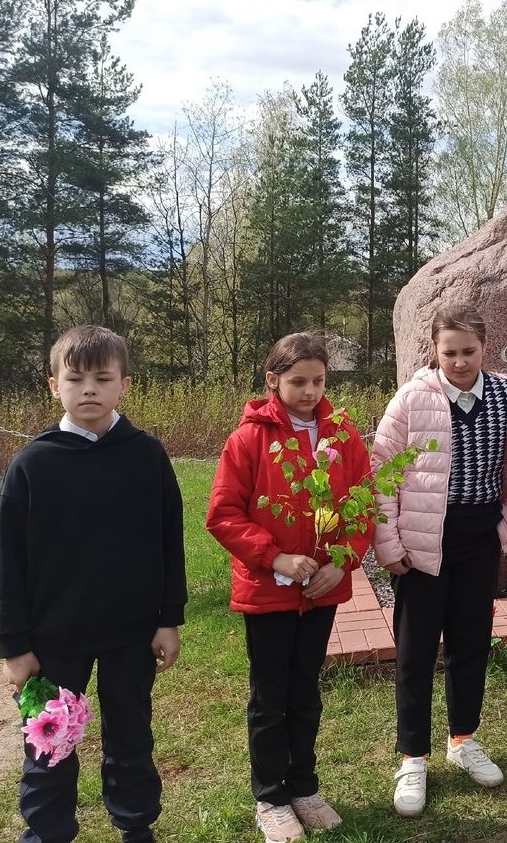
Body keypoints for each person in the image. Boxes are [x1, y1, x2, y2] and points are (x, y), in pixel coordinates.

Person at [0, 325, 187, 843]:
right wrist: (14, 646)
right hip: (52, 640)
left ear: (125, 384)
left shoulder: (146, 455)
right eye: (76, 379)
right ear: (54, 385)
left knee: (131, 738)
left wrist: (169, 618)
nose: (90, 389)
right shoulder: (33, 464)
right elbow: (6, 562)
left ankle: (136, 827)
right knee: (49, 745)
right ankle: (47, 833)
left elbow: (169, 540)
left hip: (131, 633)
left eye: (103, 378)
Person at [373, 303, 507, 817]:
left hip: (480, 536)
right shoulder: (413, 398)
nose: (459, 362)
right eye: (449, 352)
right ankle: (413, 756)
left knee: (470, 642)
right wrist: (389, 544)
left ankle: (463, 739)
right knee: (415, 651)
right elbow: (382, 470)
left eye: (469, 351)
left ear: (484, 348)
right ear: (434, 350)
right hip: (424, 540)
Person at [206, 332, 373, 843]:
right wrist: (275, 556)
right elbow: (224, 514)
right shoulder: (249, 440)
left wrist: (342, 562)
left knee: (305, 691)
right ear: (273, 381)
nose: (309, 391)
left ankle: (303, 785)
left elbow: (363, 505)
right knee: (270, 696)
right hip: (269, 591)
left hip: (320, 588)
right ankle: (271, 796)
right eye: (298, 381)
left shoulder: (343, 437)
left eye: (318, 381)